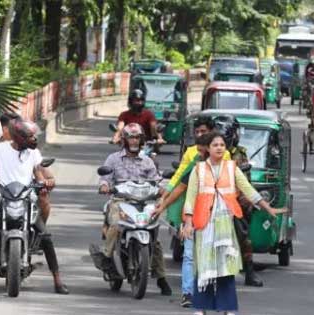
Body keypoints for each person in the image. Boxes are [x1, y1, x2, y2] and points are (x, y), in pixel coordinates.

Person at [182, 132, 285, 315]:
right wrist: (188, 223)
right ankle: (201, 308)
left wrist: (266, 207)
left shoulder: (232, 168)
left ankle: (228, 308)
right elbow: (190, 198)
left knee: (225, 267)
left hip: (225, 226)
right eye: (215, 145)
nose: (220, 148)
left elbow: (248, 189)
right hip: (204, 225)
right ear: (207, 148)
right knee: (204, 266)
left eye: (222, 145)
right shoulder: (198, 170)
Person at [0, 120, 68, 294]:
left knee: (46, 238)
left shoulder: (33, 153)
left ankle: (57, 281)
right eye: (30, 136)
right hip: (3, 197)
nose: (34, 139)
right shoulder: (1, 149)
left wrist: (46, 183)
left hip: (26, 199)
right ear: (19, 137)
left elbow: (38, 173)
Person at [98, 123, 172, 295]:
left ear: (142, 140)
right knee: (115, 226)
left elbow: (156, 180)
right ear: (124, 139)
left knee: (155, 238)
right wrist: (104, 186)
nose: (134, 140)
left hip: (144, 202)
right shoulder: (113, 159)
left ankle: (161, 278)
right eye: (131, 137)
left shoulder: (148, 161)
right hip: (120, 200)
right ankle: (107, 259)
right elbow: (105, 178)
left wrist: (163, 188)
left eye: (137, 137)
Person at [153, 135, 212, 308]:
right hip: (192, 216)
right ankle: (188, 293)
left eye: (203, 151)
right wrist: (162, 206)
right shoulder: (195, 167)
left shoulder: (225, 168)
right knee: (188, 256)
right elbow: (180, 188)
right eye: (199, 151)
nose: (201, 155)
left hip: (215, 218)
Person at [214, 115, 265, 287]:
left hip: (234, 200)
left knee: (243, 235)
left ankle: (249, 272)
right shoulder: (207, 151)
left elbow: (244, 181)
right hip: (211, 199)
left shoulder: (239, 154)